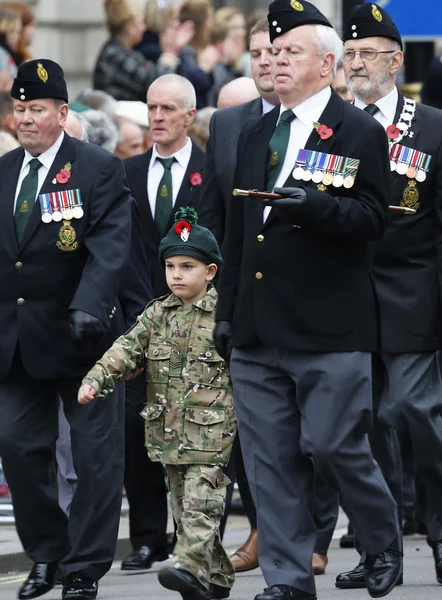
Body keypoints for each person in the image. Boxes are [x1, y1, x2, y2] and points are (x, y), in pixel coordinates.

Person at [213, 1, 402, 599]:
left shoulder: (358, 130)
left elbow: (375, 218)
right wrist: (226, 311)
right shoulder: (256, 132)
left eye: (291, 51)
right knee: (270, 463)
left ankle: (382, 538)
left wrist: (316, 207)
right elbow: (240, 231)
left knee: (333, 446)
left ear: (326, 65)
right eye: (273, 51)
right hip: (259, 328)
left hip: (328, 324)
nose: (277, 60)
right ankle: (290, 579)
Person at [0, 58, 132, 600]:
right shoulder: (5, 172)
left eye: (36, 109)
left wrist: (90, 305)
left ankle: (84, 567)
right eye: (19, 109)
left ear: (61, 112)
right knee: (19, 448)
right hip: (16, 341)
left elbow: (110, 244)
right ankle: (48, 555)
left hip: (83, 338)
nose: (26, 118)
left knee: (96, 458)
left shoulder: (96, 167)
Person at [333, 2, 442, 589]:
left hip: (412, 292)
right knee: (363, 426)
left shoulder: (431, 126)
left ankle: (441, 528)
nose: (357, 64)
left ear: (397, 61)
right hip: (347, 298)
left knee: (414, 412)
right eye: (349, 54)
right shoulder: (331, 126)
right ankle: (381, 551)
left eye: (369, 54)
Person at [78, 207, 236, 600]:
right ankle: (214, 578)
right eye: (170, 266)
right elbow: (126, 349)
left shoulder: (225, 315)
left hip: (211, 435)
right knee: (185, 512)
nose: (177, 275)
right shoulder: (157, 314)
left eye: (187, 266)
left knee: (202, 504)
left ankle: (186, 566)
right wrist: (96, 378)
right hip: (168, 434)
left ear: (210, 272)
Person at [120, 74, 205, 572]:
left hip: (197, 323)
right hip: (140, 318)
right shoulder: (126, 172)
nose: (157, 117)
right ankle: (148, 536)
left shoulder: (210, 170)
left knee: (196, 430)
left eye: (168, 109)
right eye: (152, 108)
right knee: (140, 430)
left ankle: (193, 535)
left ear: (190, 116)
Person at [199, 18, 279, 245]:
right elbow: (211, 213)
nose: (263, 62)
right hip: (238, 268)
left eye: (272, 52)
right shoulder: (225, 123)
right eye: (255, 54)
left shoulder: (316, 120)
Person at [94, 0, 192, 102]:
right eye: (141, 23)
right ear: (130, 27)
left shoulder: (127, 52)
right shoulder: (114, 55)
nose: (144, 28)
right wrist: (169, 54)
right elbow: (157, 85)